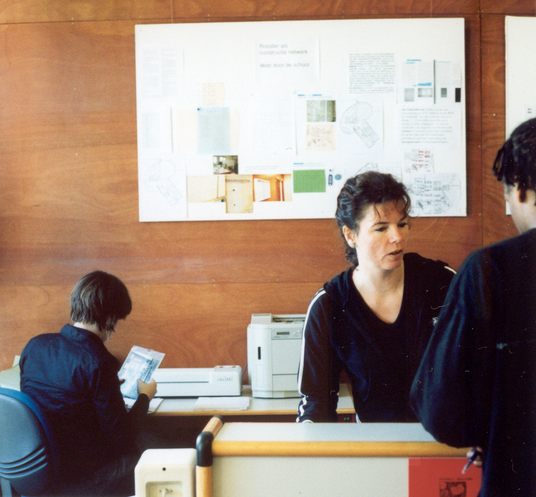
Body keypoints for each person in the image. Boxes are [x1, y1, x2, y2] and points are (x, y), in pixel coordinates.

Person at [410, 118, 536, 496]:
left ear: (521, 189)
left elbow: (439, 408)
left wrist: (485, 431)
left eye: (507, 193)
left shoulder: (489, 269)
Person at [297, 171, 455, 423]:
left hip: (445, 438)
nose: (397, 237)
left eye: (402, 224)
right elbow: (316, 402)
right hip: (376, 440)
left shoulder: (442, 282)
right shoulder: (329, 304)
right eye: (381, 228)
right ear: (351, 235)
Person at [19, 270, 157, 496]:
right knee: (162, 447)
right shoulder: (99, 362)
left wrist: (106, 387)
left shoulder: (35, 346)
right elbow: (122, 438)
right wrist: (145, 396)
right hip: (87, 476)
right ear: (110, 318)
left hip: (43, 472)